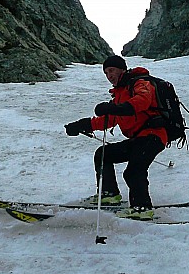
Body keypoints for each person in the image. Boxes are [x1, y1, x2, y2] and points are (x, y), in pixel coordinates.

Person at [64, 55, 168, 220]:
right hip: (138, 139)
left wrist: (115, 108)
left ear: (122, 69)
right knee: (103, 154)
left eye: (111, 70)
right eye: (106, 72)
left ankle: (142, 208)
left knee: (134, 171)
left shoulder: (140, 83)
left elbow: (142, 101)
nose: (109, 75)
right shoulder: (120, 93)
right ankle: (109, 194)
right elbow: (110, 120)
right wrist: (81, 125)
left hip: (153, 136)